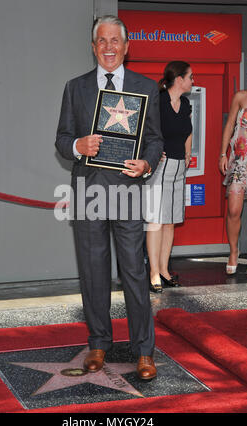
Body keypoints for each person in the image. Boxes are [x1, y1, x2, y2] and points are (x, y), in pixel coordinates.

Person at [55, 15, 164, 380]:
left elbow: (155, 140)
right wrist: (76, 145)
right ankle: (98, 342)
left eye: (115, 40)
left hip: (128, 191)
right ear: (93, 46)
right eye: (101, 41)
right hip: (88, 191)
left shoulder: (146, 88)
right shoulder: (76, 88)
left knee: (134, 270)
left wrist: (146, 164)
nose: (108, 47)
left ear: (127, 46)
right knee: (93, 271)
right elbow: (61, 138)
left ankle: (143, 351)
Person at [145, 61, 193, 292]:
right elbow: (145, 129)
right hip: (159, 167)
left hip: (179, 166)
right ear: (180, 79)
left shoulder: (184, 104)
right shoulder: (158, 100)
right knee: (155, 220)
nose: (193, 81)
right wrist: (152, 152)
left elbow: (188, 131)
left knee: (170, 221)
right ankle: (153, 272)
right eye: (190, 77)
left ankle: (164, 270)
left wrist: (187, 153)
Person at [219, 55, 247, 279]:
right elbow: (230, 125)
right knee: (234, 209)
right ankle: (234, 252)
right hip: (240, 161)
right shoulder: (241, 96)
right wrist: (222, 153)